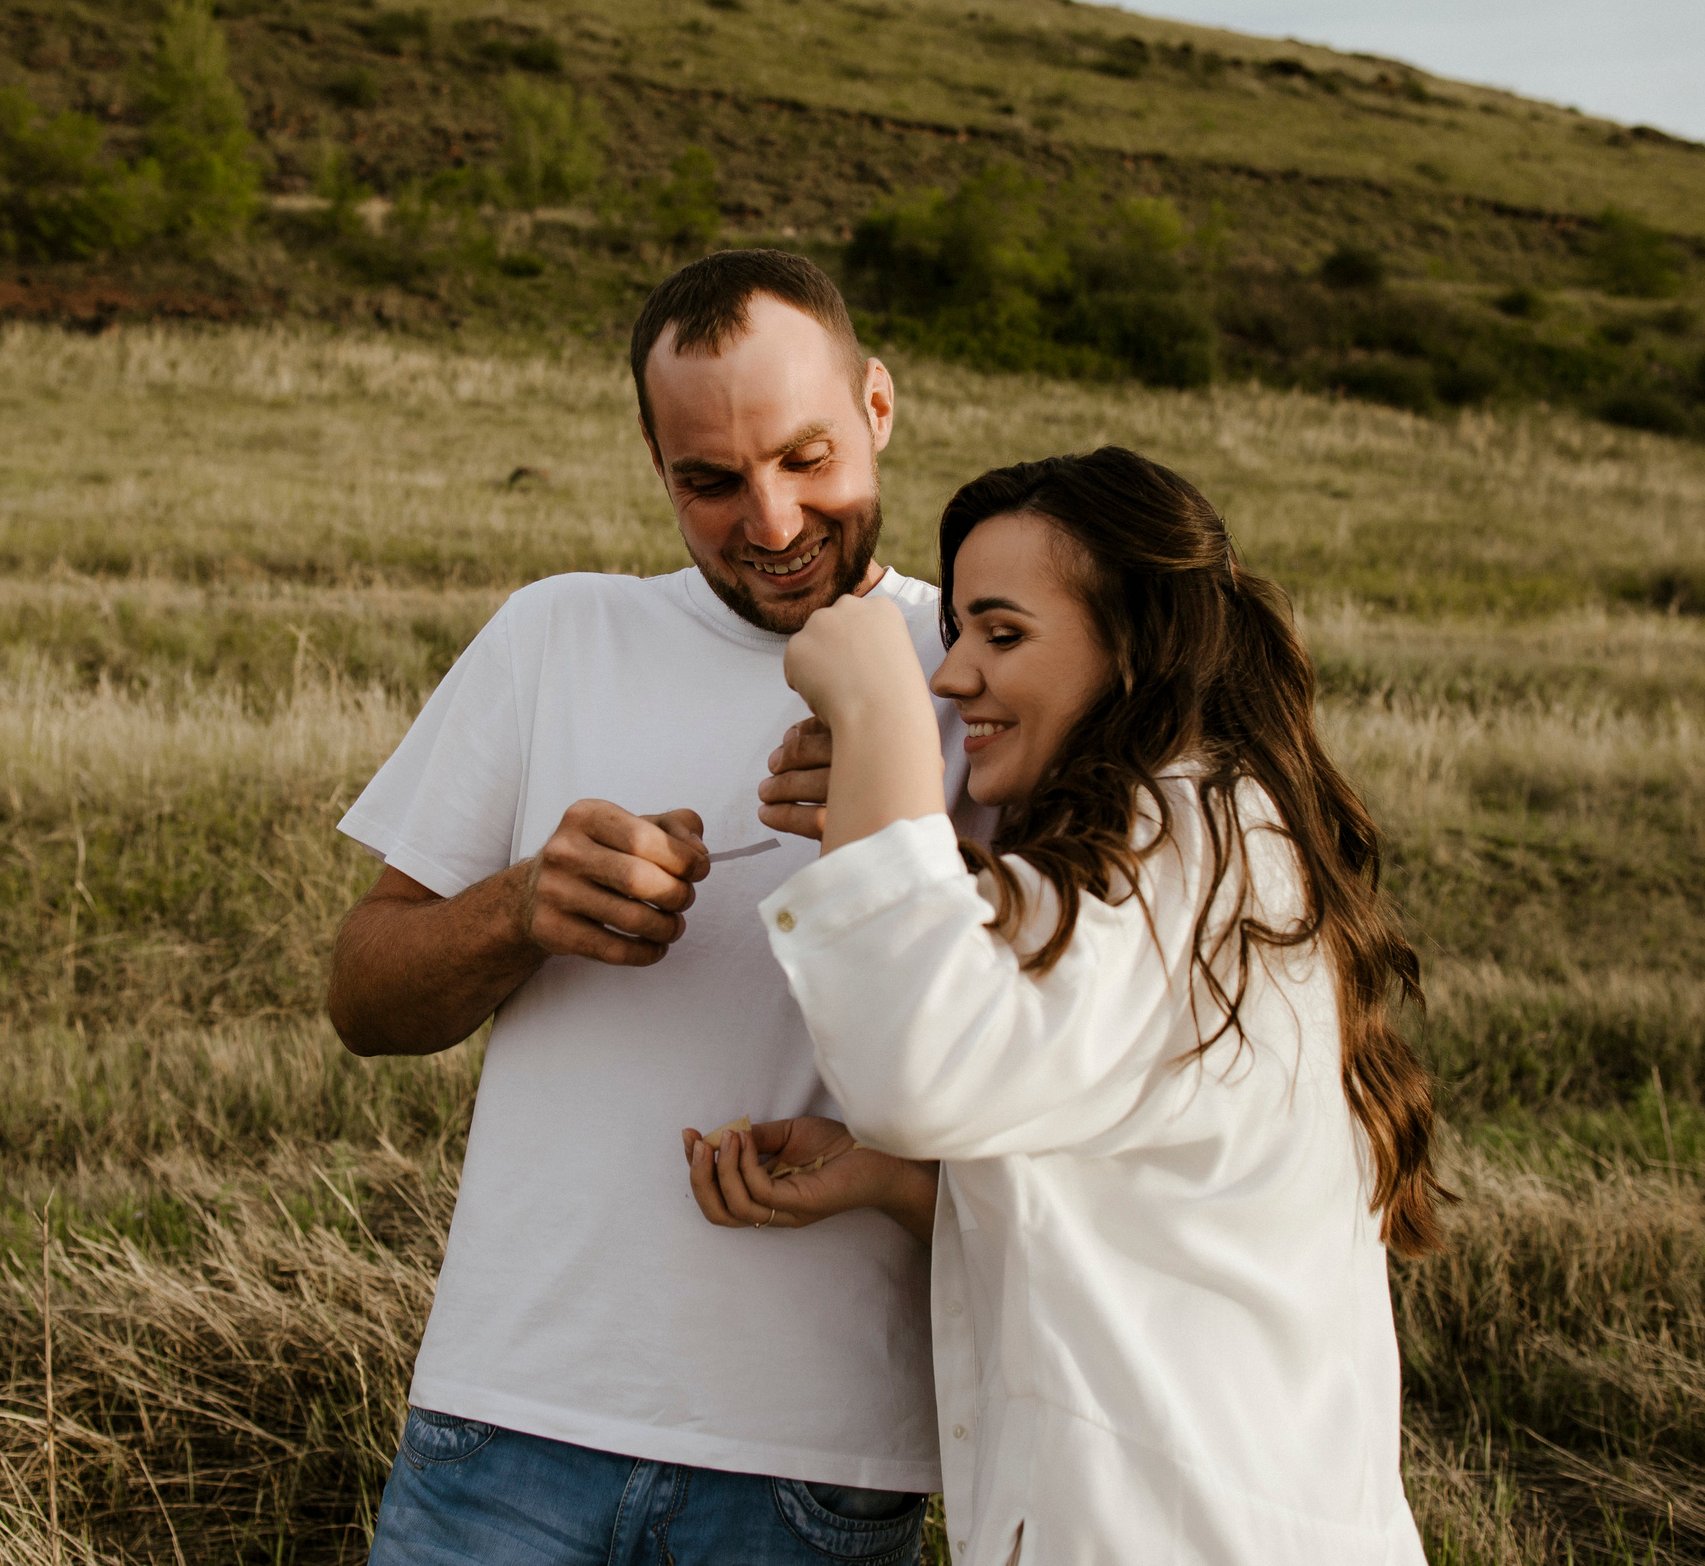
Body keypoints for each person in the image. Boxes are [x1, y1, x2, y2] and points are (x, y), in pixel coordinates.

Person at [328, 250, 985, 1564]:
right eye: (711, 479)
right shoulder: (552, 636)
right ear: (654, 463)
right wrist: (518, 908)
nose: (776, 519)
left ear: (879, 407)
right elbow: (361, 995)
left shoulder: (982, 668)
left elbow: (1068, 1049)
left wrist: (908, 828)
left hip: (819, 1466)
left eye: (806, 456)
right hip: (504, 1426)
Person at [686, 446, 1446, 1564]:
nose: (952, 679)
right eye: (950, 644)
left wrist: (878, 709)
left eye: (1003, 635)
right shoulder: (1196, 846)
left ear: (1132, 645)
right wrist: (904, 1188)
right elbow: (1145, 1218)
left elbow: (921, 1067)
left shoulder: (1187, 833)